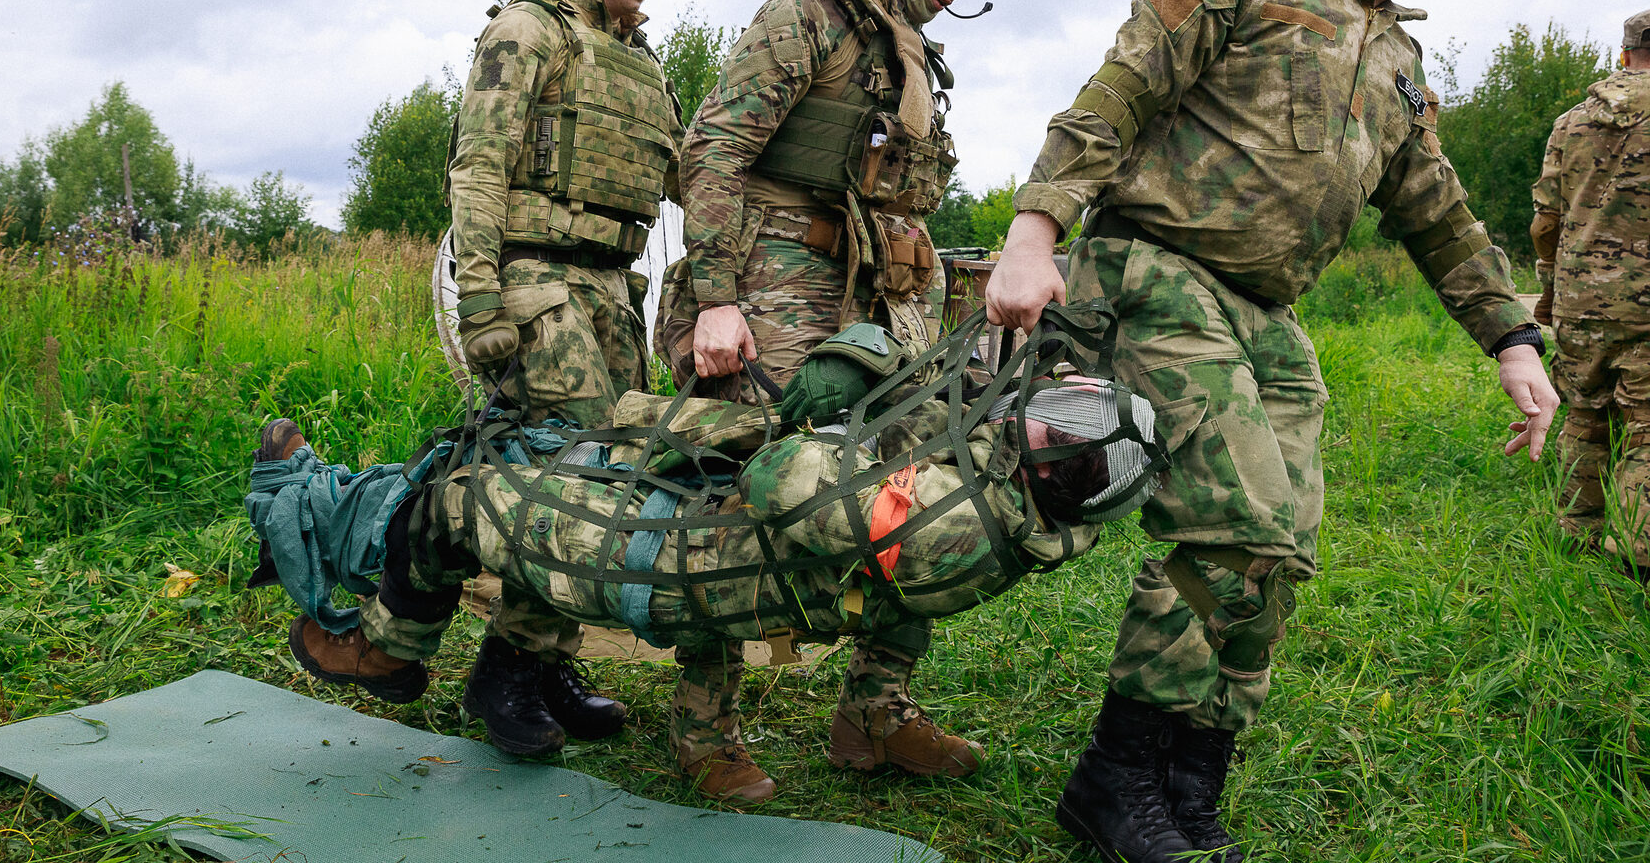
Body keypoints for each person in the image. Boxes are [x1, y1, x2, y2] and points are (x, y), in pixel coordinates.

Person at [982, 0, 1558, 863]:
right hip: (1159, 271)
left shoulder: (1393, 59)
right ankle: (1115, 780)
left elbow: (1436, 207)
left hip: (1268, 316)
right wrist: (1034, 230)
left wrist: (1512, 338)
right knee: (1235, 526)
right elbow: (1113, 99)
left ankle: (1190, 780)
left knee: (1279, 547)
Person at [251, 308, 1164, 805]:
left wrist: (828, 417)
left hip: (680, 563)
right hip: (723, 546)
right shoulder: (1020, 515)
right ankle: (862, 723)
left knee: (458, 492)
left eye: (1054, 416)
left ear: (1058, 458)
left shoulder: (942, 520)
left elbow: (779, 478)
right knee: (539, 452)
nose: (1032, 406)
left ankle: (380, 644)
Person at [653, 0, 1029, 799]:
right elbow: (713, 153)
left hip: (866, 306)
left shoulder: (902, 44)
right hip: (767, 294)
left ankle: (874, 713)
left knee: (914, 485)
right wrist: (716, 299)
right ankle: (706, 728)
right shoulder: (810, 15)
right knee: (732, 491)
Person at [308, 0, 685, 765]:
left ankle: (543, 662)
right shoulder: (528, 29)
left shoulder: (641, 62)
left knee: (613, 471)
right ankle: (506, 672)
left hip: (610, 288)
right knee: (563, 476)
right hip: (536, 280)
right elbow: (479, 166)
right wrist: (478, 296)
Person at [1531, 8, 1650, 570]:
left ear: (1624, 55)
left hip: (1581, 300)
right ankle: (1637, 551)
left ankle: (1576, 531)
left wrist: (1552, 294)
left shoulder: (1571, 123)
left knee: (1584, 413)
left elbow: (1546, 220)